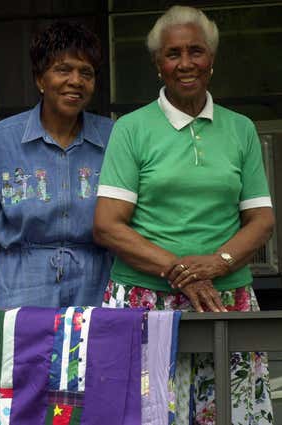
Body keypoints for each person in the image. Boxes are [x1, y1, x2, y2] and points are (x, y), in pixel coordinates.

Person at [93, 6, 274, 423]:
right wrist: (180, 270)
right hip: (145, 302)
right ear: (158, 65)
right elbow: (107, 223)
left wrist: (218, 263)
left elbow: (261, 220)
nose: (185, 63)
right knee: (149, 414)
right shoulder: (132, 129)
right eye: (173, 54)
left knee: (232, 415)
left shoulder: (240, 129)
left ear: (211, 59)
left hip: (225, 300)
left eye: (196, 51)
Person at [0, 21, 113, 309]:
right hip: (20, 291)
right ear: (40, 79)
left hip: (96, 290)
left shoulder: (114, 139)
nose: (75, 80)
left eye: (85, 72)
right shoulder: (0, 141)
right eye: (63, 70)